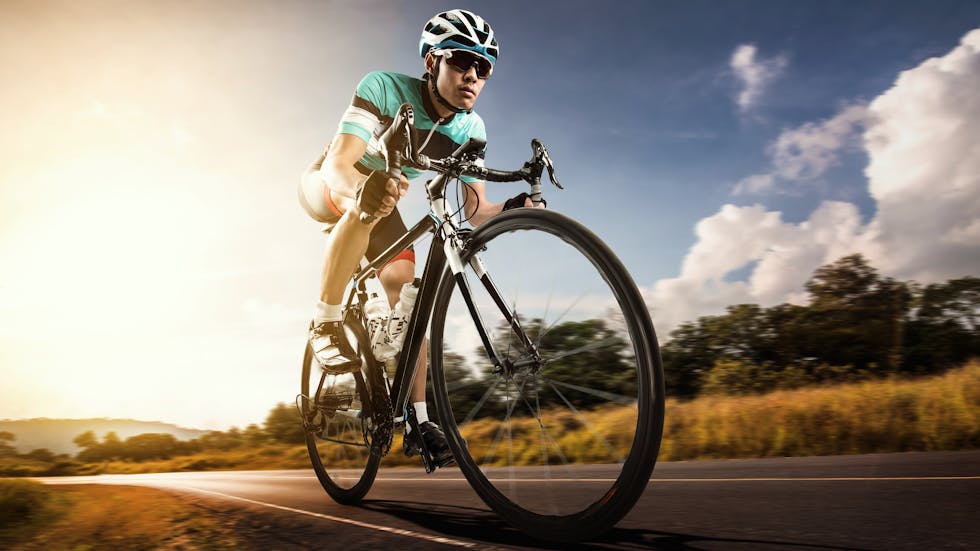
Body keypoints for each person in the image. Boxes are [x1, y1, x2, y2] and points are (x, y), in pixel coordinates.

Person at [298, 9, 541, 466]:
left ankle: (417, 419)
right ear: (431, 62)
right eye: (461, 62)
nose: (472, 75)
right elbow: (338, 165)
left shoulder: (471, 128)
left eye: (483, 67)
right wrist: (361, 191)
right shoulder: (384, 89)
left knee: (407, 286)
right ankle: (326, 322)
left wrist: (513, 209)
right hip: (332, 185)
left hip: (384, 199)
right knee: (367, 205)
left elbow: (474, 210)